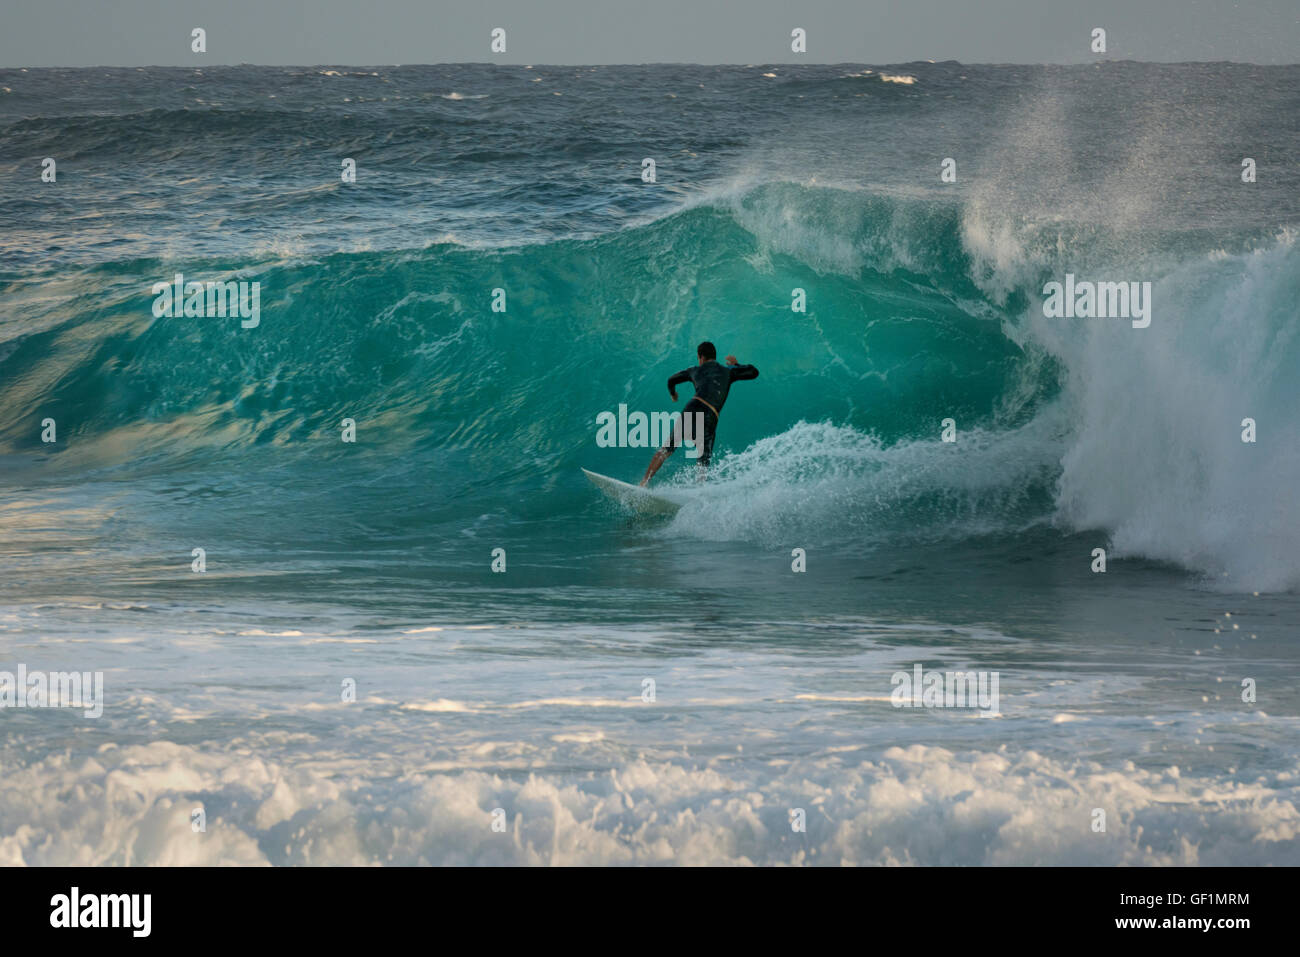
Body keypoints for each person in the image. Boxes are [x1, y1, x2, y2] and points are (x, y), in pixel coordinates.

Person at [640, 341, 758, 486]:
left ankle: (643, 483)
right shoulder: (728, 371)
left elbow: (671, 380)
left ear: (700, 357)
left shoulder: (694, 370)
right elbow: (753, 372)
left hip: (694, 406)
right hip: (711, 415)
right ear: (714, 356)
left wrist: (673, 394)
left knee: (666, 449)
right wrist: (737, 364)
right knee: (702, 462)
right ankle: (698, 493)